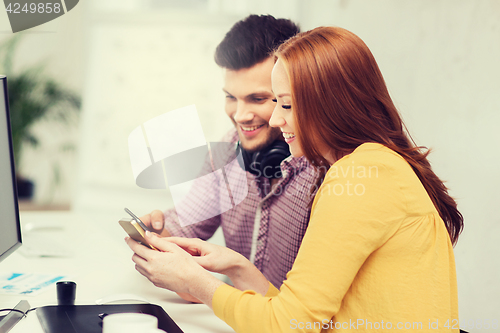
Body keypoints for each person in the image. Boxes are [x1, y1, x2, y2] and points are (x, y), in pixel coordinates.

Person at [127, 26, 463, 332]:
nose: (275, 119)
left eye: (284, 105)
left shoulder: (360, 176)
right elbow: (307, 320)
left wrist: (199, 283)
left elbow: (291, 326)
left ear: (330, 106)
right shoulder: (373, 166)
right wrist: (239, 268)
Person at [140, 14, 318, 294]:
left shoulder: (329, 171)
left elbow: (310, 308)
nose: (240, 115)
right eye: (231, 97)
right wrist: (155, 233)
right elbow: (184, 226)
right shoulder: (228, 149)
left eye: (257, 99)